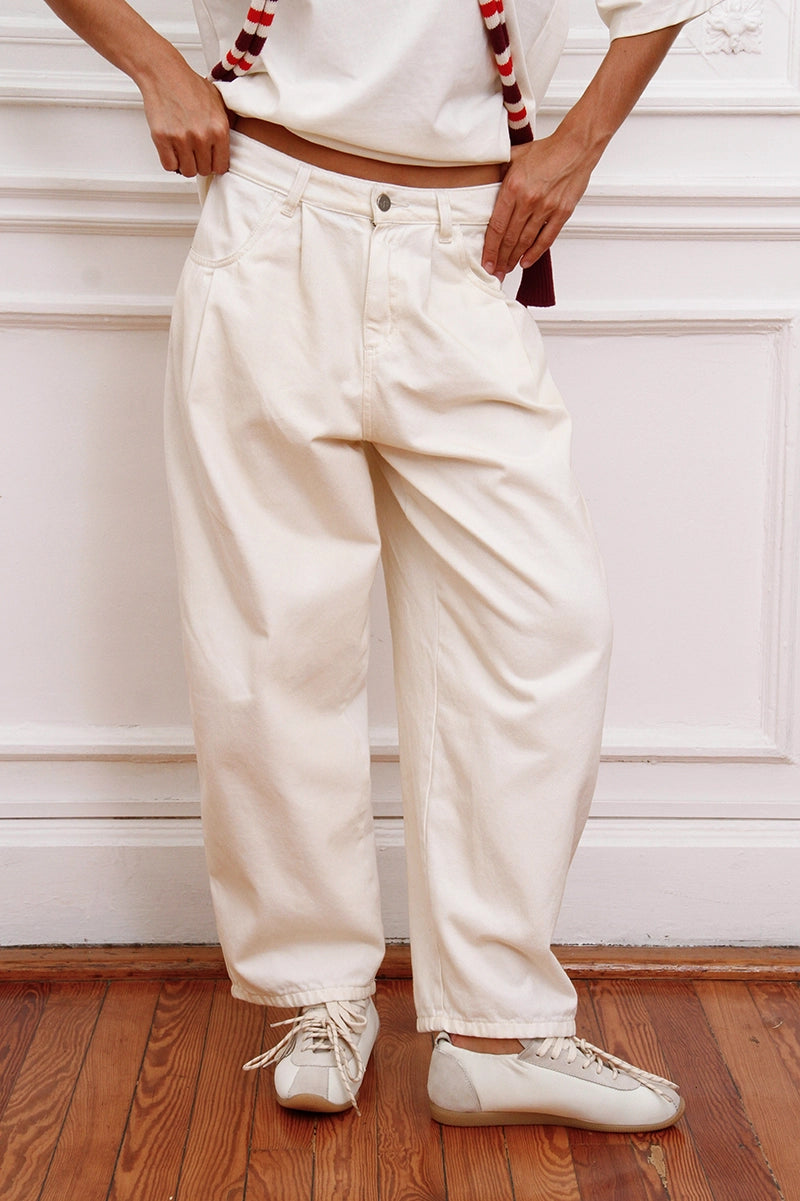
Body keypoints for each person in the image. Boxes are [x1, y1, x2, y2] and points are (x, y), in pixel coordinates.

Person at [46, 0, 717, 1129]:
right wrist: (154, 65)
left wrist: (579, 143)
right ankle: (315, 995)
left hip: (468, 242)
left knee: (540, 629)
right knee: (276, 638)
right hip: (271, 219)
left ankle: (497, 1025)